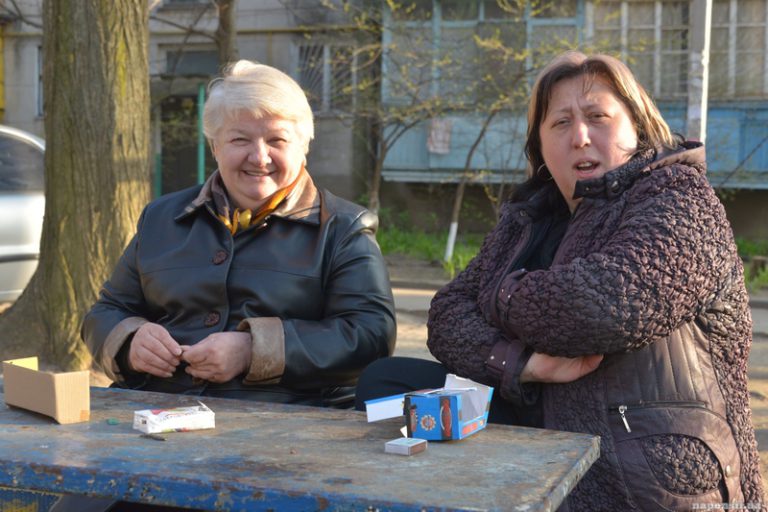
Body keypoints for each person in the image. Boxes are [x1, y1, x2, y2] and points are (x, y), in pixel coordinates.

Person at [355, 51, 764, 511]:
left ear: (639, 128)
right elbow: (448, 314)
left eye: (597, 117)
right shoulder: (531, 217)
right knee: (386, 383)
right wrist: (522, 365)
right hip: (546, 435)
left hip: (650, 470)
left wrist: (501, 293)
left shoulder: (681, 198)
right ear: (541, 148)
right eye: (561, 123)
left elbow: (604, 307)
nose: (580, 137)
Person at [83, 60, 396, 408]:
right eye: (239, 139)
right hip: (156, 411)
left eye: (277, 139)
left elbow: (371, 336)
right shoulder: (160, 217)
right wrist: (130, 340)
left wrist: (254, 350)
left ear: (304, 146)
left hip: (286, 424)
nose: (259, 157)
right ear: (215, 146)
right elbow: (107, 310)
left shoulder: (342, 228)